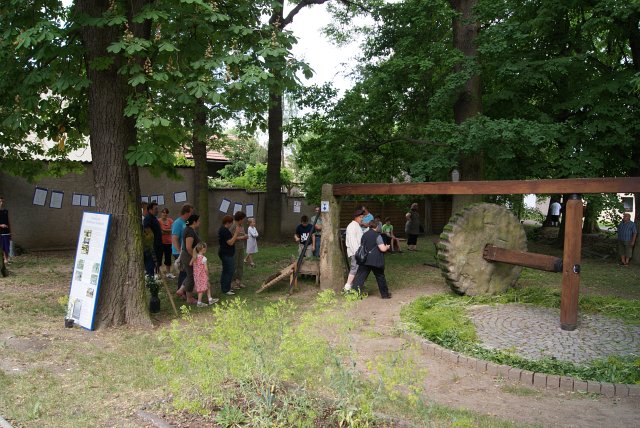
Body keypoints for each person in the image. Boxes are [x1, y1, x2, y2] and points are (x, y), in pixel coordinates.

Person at [352, 219, 392, 298]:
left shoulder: (364, 234)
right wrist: (387, 247)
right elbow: (382, 249)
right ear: (377, 226)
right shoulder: (378, 236)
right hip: (375, 260)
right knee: (380, 277)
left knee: (360, 277)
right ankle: (385, 295)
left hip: (365, 259)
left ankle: (354, 294)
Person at [176, 214, 201, 304]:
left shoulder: (189, 230)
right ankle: (189, 298)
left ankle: (181, 289)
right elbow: (188, 247)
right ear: (194, 221)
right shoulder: (190, 231)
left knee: (190, 274)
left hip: (187, 256)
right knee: (191, 276)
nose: (200, 222)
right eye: (199, 220)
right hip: (188, 256)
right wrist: (195, 257)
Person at [172, 204, 194, 293]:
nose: (192, 215)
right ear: (186, 212)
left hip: (185, 251)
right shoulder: (178, 222)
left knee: (185, 272)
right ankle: (181, 291)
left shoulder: (186, 222)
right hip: (179, 252)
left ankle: (183, 291)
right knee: (184, 272)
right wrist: (179, 252)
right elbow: (174, 238)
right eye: (191, 213)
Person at [219, 215, 242, 295]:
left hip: (227, 253)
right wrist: (236, 233)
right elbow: (230, 242)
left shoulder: (225, 230)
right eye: (231, 223)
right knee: (229, 270)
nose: (232, 225)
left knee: (227, 270)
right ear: (228, 223)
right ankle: (226, 289)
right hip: (226, 254)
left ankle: (225, 287)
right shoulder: (224, 231)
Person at [344, 209, 365, 291]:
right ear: (357, 217)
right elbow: (353, 241)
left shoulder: (356, 225)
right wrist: (357, 254)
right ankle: (347, 287)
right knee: (354, 269)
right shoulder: (352, 226)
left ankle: (354, 286)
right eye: (361, 217)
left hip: (357, 252)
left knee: (357, 269)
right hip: (355, 252)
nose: (362, 219)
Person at [191, 242, 218, 307]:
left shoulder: (195, 256)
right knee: (201, 289)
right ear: (204, 249)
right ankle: (199, 303)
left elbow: (190, 264)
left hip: (197, 276)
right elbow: (206, 269)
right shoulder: (203, 258)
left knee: (207, 285)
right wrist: (207, 275)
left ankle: (210, 299)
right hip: (202, 276)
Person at [142, 202, 163, 277]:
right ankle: (150, 279)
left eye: (157, 208)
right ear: (150, 210)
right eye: (155, 209)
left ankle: (155, 277)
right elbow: (147, 232)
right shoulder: (148, 218)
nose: (157, 210)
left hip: (157, 245)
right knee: (150, 265)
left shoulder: (154, 218)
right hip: (151, 247)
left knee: (156, 263)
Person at [230, 211, 248, 290]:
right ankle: (232, 283)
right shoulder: (233, 225)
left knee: (241, 264)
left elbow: (242, 233)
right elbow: (231, 238)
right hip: (235, 247)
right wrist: (242, 237)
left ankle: (238, 281)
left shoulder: (241, 225)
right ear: (239, 219)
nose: (243, 220)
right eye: (243, 219)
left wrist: (245, 235)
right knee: (235, 265)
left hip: (241, 247)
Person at [158, 208, 175, 279]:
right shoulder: (158, 221)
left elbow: (173, 229)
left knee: (168, 258)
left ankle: (168, 273)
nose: (165, 214)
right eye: (163, 212)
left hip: (168, 242)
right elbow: (159, 231)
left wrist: (164, 230)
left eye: (166, 213)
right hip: (160, 242)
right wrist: (167, 231)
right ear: (161, 213)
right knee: (159, 257)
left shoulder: (170, 220)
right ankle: (157, 273)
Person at [0, 196, 12, 265]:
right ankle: (3, 259)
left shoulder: (5, 211)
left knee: (6, 247)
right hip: (0, 232)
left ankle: (6, 259)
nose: (1, 203)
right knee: (1, 246)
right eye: (0, 201)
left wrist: (10, 232)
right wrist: (1, 225)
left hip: (6, 232)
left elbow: (9, 222)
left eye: (2, 201)